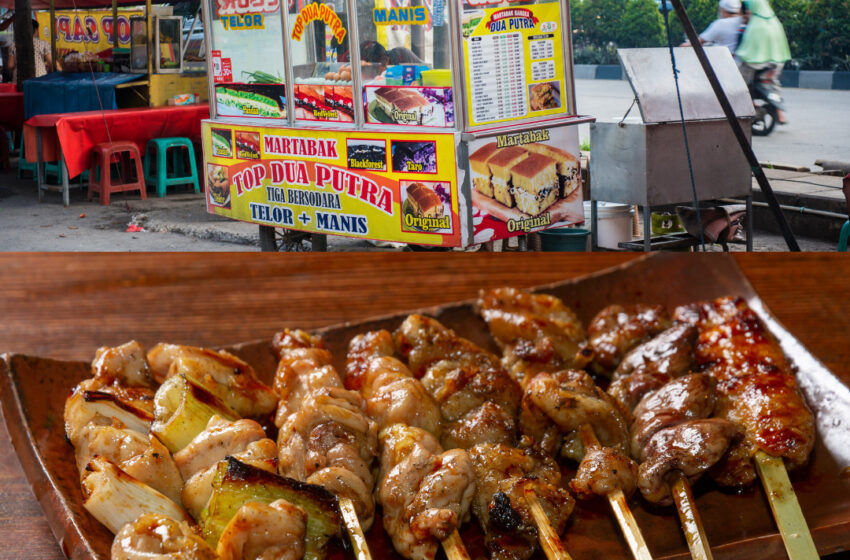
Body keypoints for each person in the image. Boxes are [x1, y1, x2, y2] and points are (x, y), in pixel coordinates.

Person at [735, 0, 790, 123]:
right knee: (774, 83)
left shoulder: (756, 25)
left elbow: (745, 53)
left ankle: (745, 106)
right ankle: (781, 113)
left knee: (739, 83)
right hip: (776, 62)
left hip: (755, 63)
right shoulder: (775, 23)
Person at [8, 19, 52, 83]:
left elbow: (10, 65)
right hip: (39, 80)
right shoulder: (43, 44)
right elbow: (51, 63)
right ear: (36, 30)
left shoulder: (13, 45)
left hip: (19, 81)